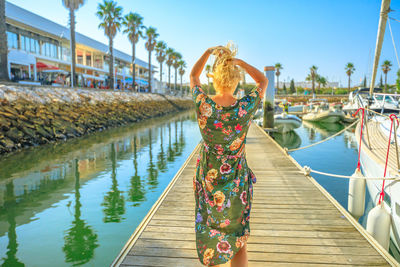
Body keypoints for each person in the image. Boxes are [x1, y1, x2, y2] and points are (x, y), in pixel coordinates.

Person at [190, 44, 268, 267]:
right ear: (236, 80)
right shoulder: (244, 107)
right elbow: (263, 81)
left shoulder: (204, 104)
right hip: (236, 180)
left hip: (208, 178)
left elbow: (194, 75)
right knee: (238, 237)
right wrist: (241, 63)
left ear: (214, 79)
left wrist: (207, 52)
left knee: (210, 234)